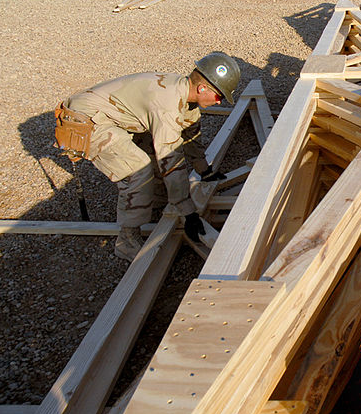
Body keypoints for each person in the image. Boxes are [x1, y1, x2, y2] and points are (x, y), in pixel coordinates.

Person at [54, 53, 241, 262]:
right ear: (202, 88)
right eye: (219, 96)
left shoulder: (185, 97)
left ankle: (156, 203)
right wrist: (189, 213)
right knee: (138, 168)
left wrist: (204, 171)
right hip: (85, 121)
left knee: (154, 153)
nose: (219, 102)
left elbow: (190, 136)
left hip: (110, 117)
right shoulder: (167, 105)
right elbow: (171, 160)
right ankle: (127, 241)